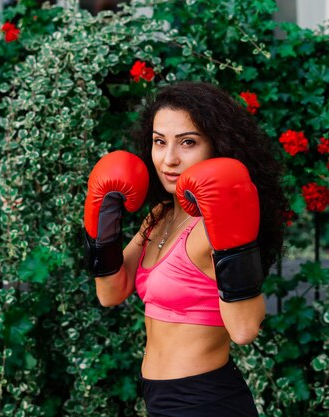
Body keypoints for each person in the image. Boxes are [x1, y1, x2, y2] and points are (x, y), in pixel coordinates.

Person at [83, 81, 285, 417]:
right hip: (160, 398)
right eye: (159, 142)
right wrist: (103, 222)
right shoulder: (161, 215)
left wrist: (234, 247)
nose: (169, 159)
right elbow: (110, 292)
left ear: (217, 146)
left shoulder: (214, 224)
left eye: (187, 142)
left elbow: (245, 330)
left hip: (204, 401)